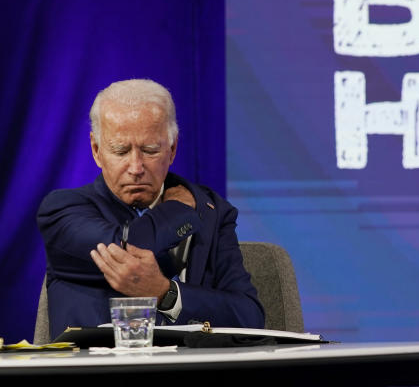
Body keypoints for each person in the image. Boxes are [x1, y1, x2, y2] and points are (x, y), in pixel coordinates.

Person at [37, 79, 264, 336]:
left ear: (173, 148)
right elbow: (131, 245)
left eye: (150, 150)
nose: (136, 168)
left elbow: (249, 317)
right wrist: (179, 209)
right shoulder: (62, 211)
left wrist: (165, 293)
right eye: (120, 151)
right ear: (96, 150)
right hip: (98, 373)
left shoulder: (212, 211)